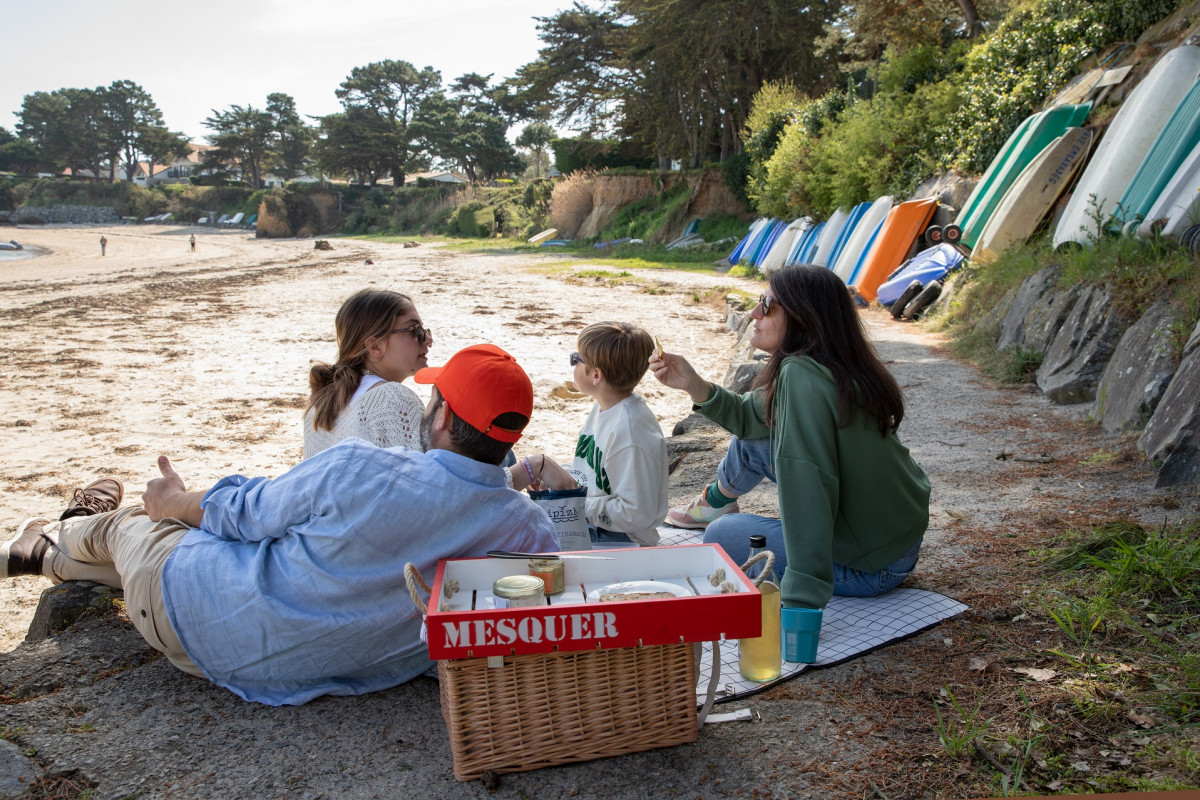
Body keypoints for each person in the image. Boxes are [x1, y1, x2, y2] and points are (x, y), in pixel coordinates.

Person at [1, 344, 559, 706]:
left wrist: (172, 499)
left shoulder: (361, 467)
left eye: (431, 397)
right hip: (304, 673)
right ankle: (43, 557)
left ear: (439, 414)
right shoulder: (530, 534)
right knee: (141, 562)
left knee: (130, 527)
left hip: (197, 613)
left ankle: (70, 524)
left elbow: (242, 516)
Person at [651, 265, 930, 611]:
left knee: (722, 535)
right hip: (895, 541)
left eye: (766, 304)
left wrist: (801, 597)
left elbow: (809, 484)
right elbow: (747, 417)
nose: (754, 312)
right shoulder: (831, 365)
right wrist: (691, 383)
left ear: (802, 316)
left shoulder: (800, 376)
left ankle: (717, 511)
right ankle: (716, 500)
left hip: (872, 568)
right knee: (753, 438)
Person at [567, 322, 668, 546]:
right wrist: (560, 480)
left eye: (576, 359)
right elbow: (593, 472)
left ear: (595, 375)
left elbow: (635, 513)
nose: (572, 364)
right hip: (598, 522)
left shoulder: (630, 433)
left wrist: (577, 501)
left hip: (622, 538)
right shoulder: (605, 407)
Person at [303, 289, 432, 459]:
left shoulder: (320, 403)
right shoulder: (393, 398)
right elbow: (421, 480)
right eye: (415, 330)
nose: (429, 340)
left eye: (425, 330)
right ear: (375, 346)